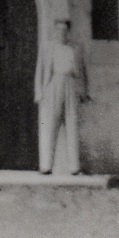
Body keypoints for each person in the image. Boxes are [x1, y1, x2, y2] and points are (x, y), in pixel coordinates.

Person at [34, 20, 89, 175]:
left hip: (71, 84)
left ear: (69, 32)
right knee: (50, 124)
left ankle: (74, 167)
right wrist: (39, 93)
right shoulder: (47, 48)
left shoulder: (75, 48)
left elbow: (83, 72)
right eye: (58, 30)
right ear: (54, 31)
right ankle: (46, 166)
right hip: (53, 84)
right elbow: (40, 70)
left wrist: (83, 91)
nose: (61, 34)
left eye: (65, 31)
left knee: (72, 124)